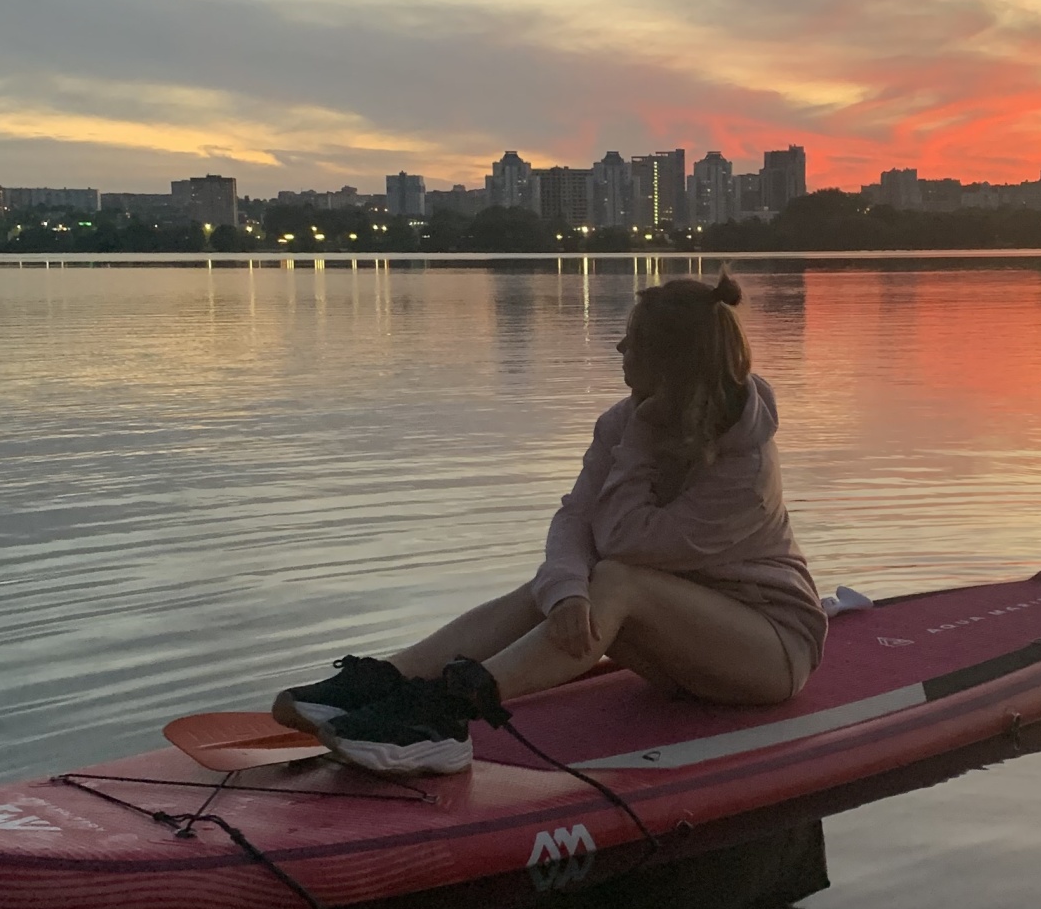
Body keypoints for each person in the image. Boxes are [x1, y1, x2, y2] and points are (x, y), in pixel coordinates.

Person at [273, 272, 827, 775]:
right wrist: (563, 594)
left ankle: (449, 715)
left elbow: (624, 543)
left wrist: (636, 448)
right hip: (681, 651)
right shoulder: (621, 420)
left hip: (770, 653)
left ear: (668, 360)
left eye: (632, 339)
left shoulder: (746, 465)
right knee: (559, 584)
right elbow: (576, 517)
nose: (619, 347)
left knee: (614, 578)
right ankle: (388, 680)